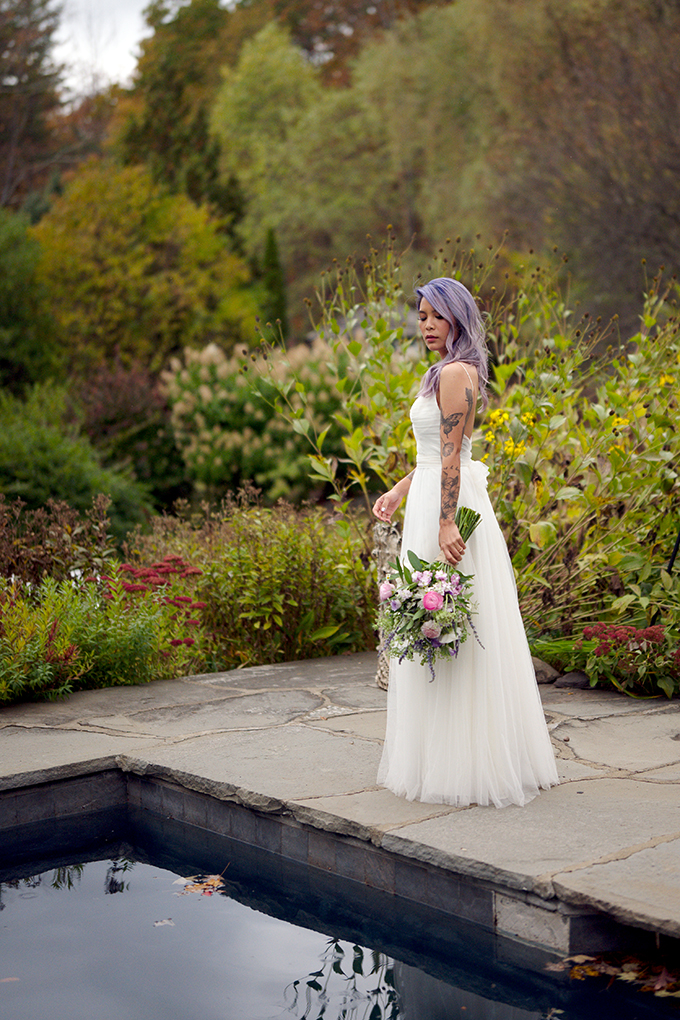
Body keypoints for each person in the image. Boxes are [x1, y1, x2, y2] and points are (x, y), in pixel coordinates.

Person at [372, 277, 558, 808]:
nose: (425, 325)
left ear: (456, 317)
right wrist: (400, 488)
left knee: (450, 620)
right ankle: (443, 752)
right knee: (437, 619)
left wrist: (447, 521)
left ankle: (465, 762)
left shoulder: (455, 373)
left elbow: (453, 455)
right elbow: (436, 453)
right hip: (431, 494)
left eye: (435, 316)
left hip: (446, 505)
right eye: (421, 316)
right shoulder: (453, 371)